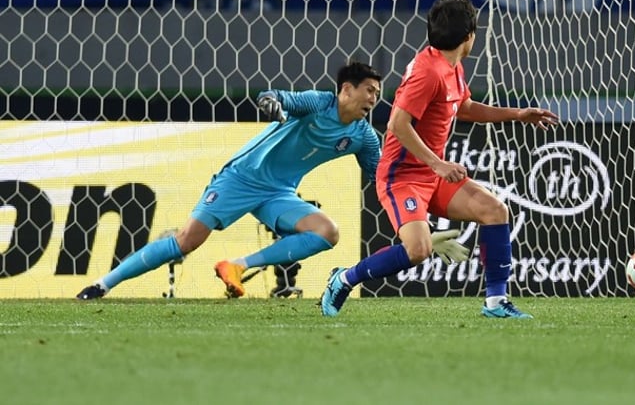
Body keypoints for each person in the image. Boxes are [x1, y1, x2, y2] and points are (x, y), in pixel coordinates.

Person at [76, 62, 466, 300]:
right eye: (368, 91)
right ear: (345, 89)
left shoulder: (364, 137)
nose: (373, 100)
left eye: (378, 94)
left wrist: (419, 228)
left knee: (327, 232)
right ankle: (103, 283)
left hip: (278, 193)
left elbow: (385, 182)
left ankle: (236, 266)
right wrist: (273, 104)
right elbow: (277, 96)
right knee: (185, 242)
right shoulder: (319, 102)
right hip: (242, 178)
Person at [321, 0, 559, 319]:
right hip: (402, 177)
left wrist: (517, 114)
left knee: (494, 210)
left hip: (432, 177)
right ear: (469, 37)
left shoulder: (451, 67)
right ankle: (344, 278)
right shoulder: (428, 72)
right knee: (418, 251)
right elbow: (397, 124)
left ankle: (496, 303)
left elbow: (465, 108)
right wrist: (437, 162)